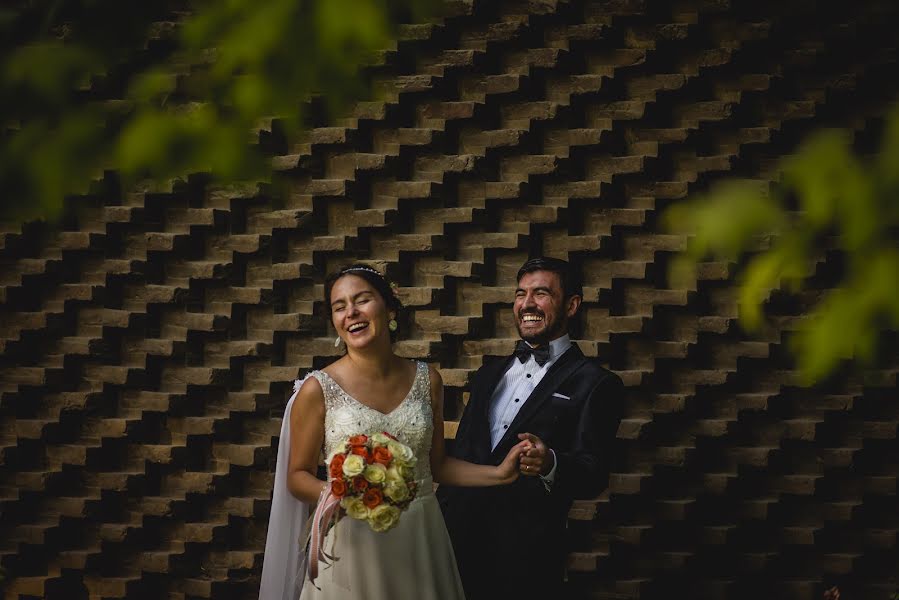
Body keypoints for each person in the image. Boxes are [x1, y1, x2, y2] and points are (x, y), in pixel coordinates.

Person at [259, 264, 532, 600]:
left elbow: (438, 466)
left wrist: (500, 473)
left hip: (420, 538)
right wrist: (337, 496)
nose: (351, 313)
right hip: (353, 542)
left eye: (362, 300)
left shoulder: (427, 379)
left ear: (389, 308)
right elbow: (297, 476)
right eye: (339, 306)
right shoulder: (318, 389)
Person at [437, 257, 625, 599]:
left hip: (525, 557)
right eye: (521, 294)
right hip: (453, 540)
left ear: (571, 305)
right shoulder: (488, 374)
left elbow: (593, 473)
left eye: (541, 293)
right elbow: (464, 451)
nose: (527, 304)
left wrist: (551, 462)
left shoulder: (597, 384)